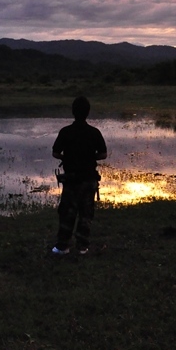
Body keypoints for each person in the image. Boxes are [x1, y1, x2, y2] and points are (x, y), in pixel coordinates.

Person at [51, 96, 107, 256]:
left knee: (67, 213)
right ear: (88, 113)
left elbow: (55, 153)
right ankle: (82, 246)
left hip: (72, 180)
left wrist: (68, 158)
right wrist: (89, 157)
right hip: (89, 180)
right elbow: (103, 154)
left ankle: (62, 246)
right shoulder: (94, 132)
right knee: (86, 213)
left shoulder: (66, 131)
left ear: (73, 112)